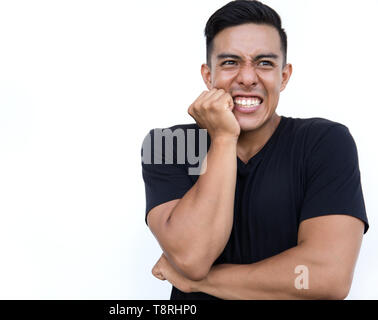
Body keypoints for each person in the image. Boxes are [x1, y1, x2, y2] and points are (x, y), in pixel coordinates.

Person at [141, 0, 369, 300]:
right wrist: (223, 137)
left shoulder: (324, 142)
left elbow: (327, 277)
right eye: (230, 62)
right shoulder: (168, 144)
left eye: (264, 63)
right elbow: (193, 258)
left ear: (284, 76)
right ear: (208, 75)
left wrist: (200, 284)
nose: (248, 78)